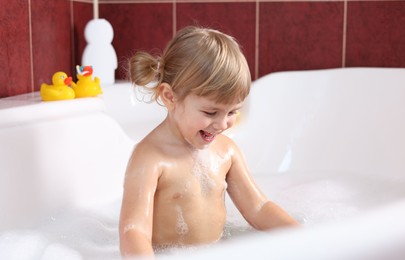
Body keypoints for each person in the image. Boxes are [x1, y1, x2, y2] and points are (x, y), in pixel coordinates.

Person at [119, 26, 298, 258]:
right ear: (170, 97)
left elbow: (258, 208)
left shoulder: (227, 152)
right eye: (211, 112)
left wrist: (303, 237)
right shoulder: (150, 158)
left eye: (233, 112)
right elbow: (134, 230)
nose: (222, 125)